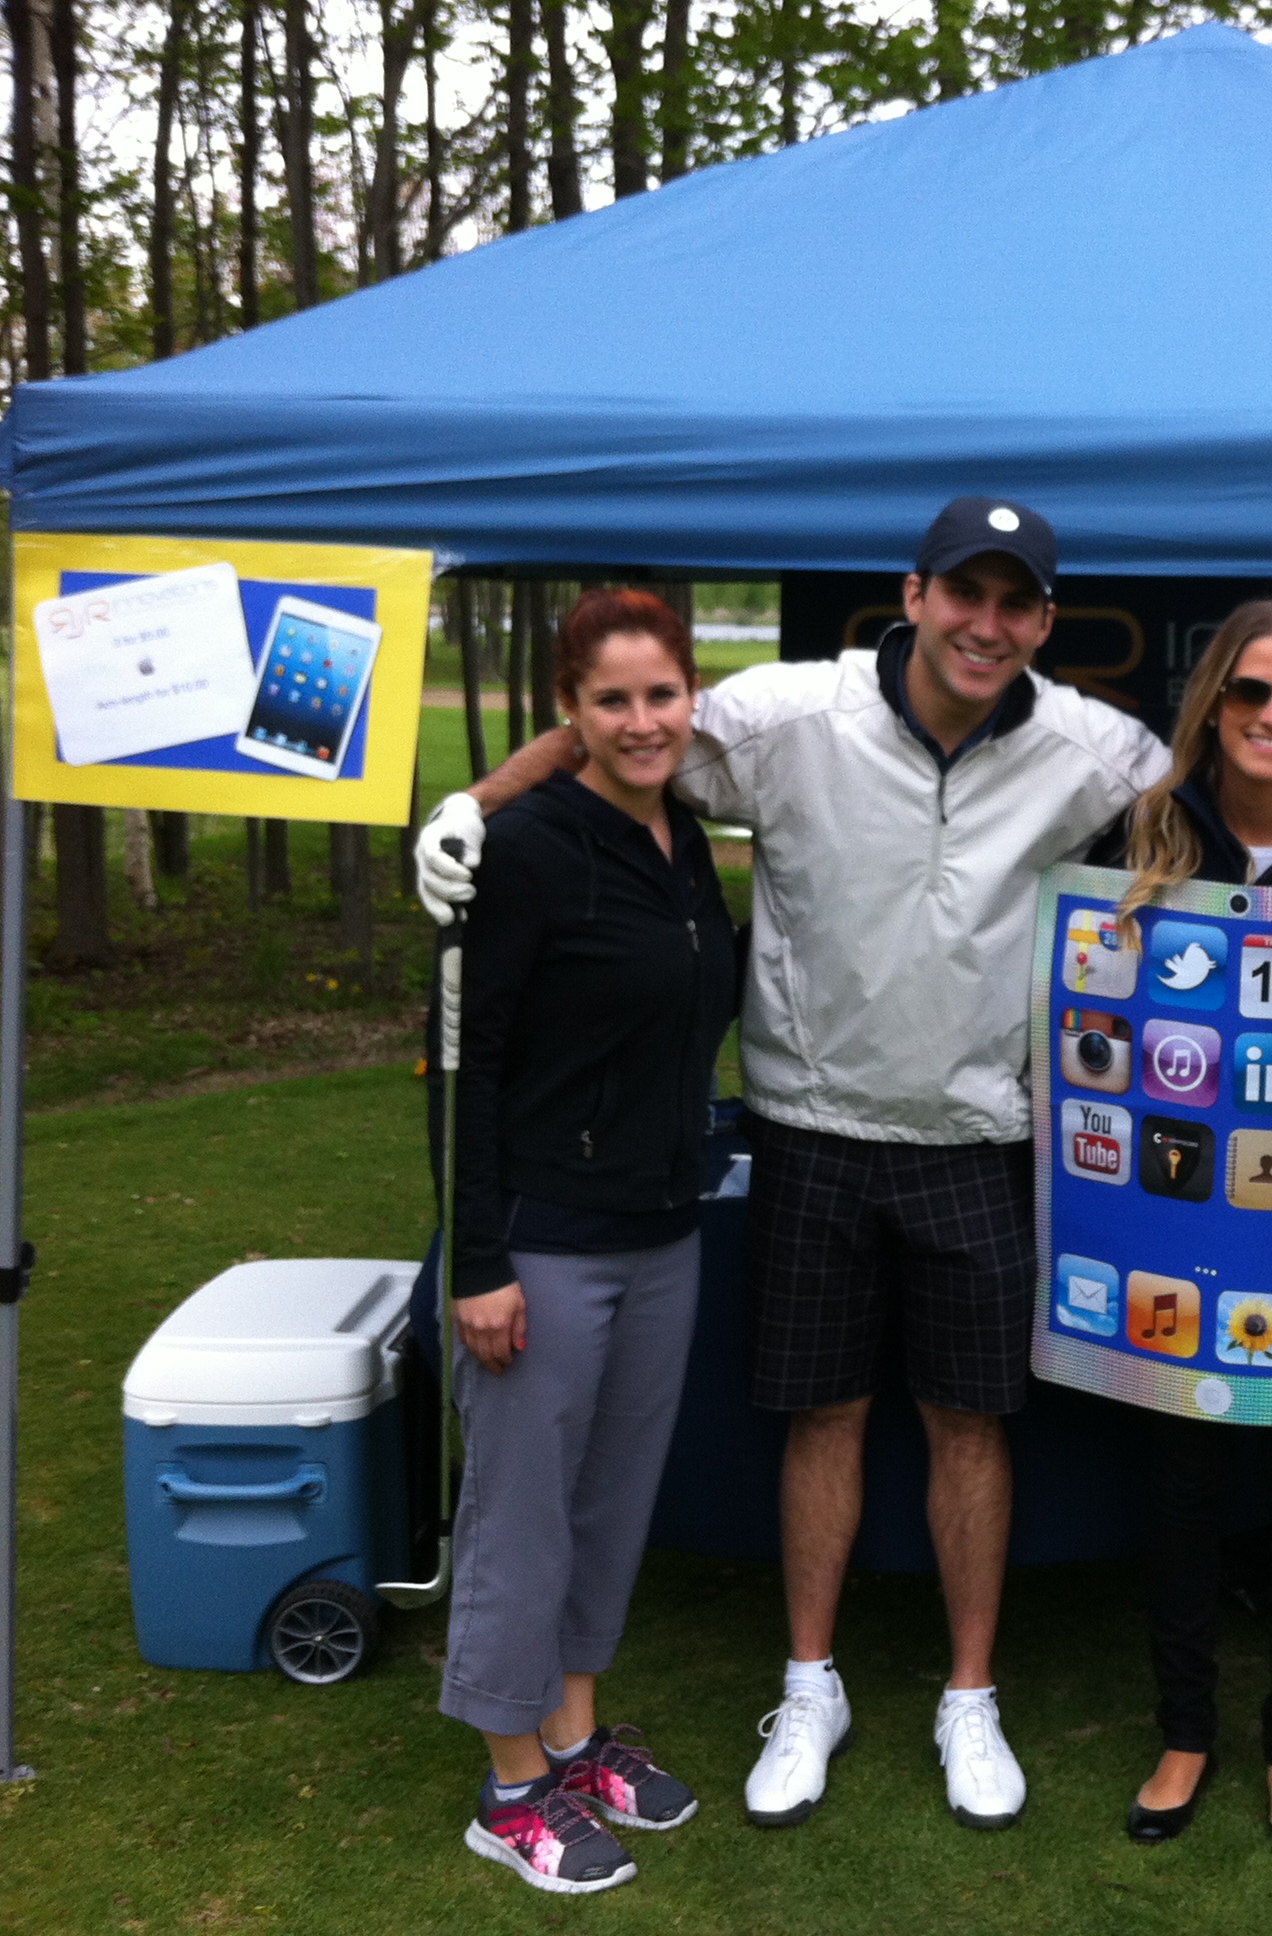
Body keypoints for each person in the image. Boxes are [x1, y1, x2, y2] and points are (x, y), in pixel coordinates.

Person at [417, 504, 1272, 1837]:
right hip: (810, 1126)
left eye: (1016, 604)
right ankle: (809, 1687)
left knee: (971, 1425)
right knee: (823, 1416)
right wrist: (477, 804)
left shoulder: (1092, 748)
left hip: (978, 1137)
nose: (986, 624)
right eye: (966, 593)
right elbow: (620, 728)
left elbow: (1246, 769)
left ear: (1045, 622)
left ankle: (970, 1695)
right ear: (914, 594)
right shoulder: (789, 714)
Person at [437, 588, 739, 1895]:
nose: (640, 720)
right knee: (522, 1514)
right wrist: (477, 1262)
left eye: (660, 694)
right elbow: (466, 1067)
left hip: (662, 1230)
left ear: (689, 697)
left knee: (611, 1505)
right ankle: (510, 1788)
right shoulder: (528, 848)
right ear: (570, 711)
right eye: (610, 699)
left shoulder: (686, 834)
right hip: (543, 1243)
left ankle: (571, 1736)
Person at [1091, 599, 1272, 1862]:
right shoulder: (1142, 830)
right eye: (1251, 691)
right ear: (1212, 701)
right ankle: (1185, 1731)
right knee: (1182, 1486)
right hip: (1172, 1219)